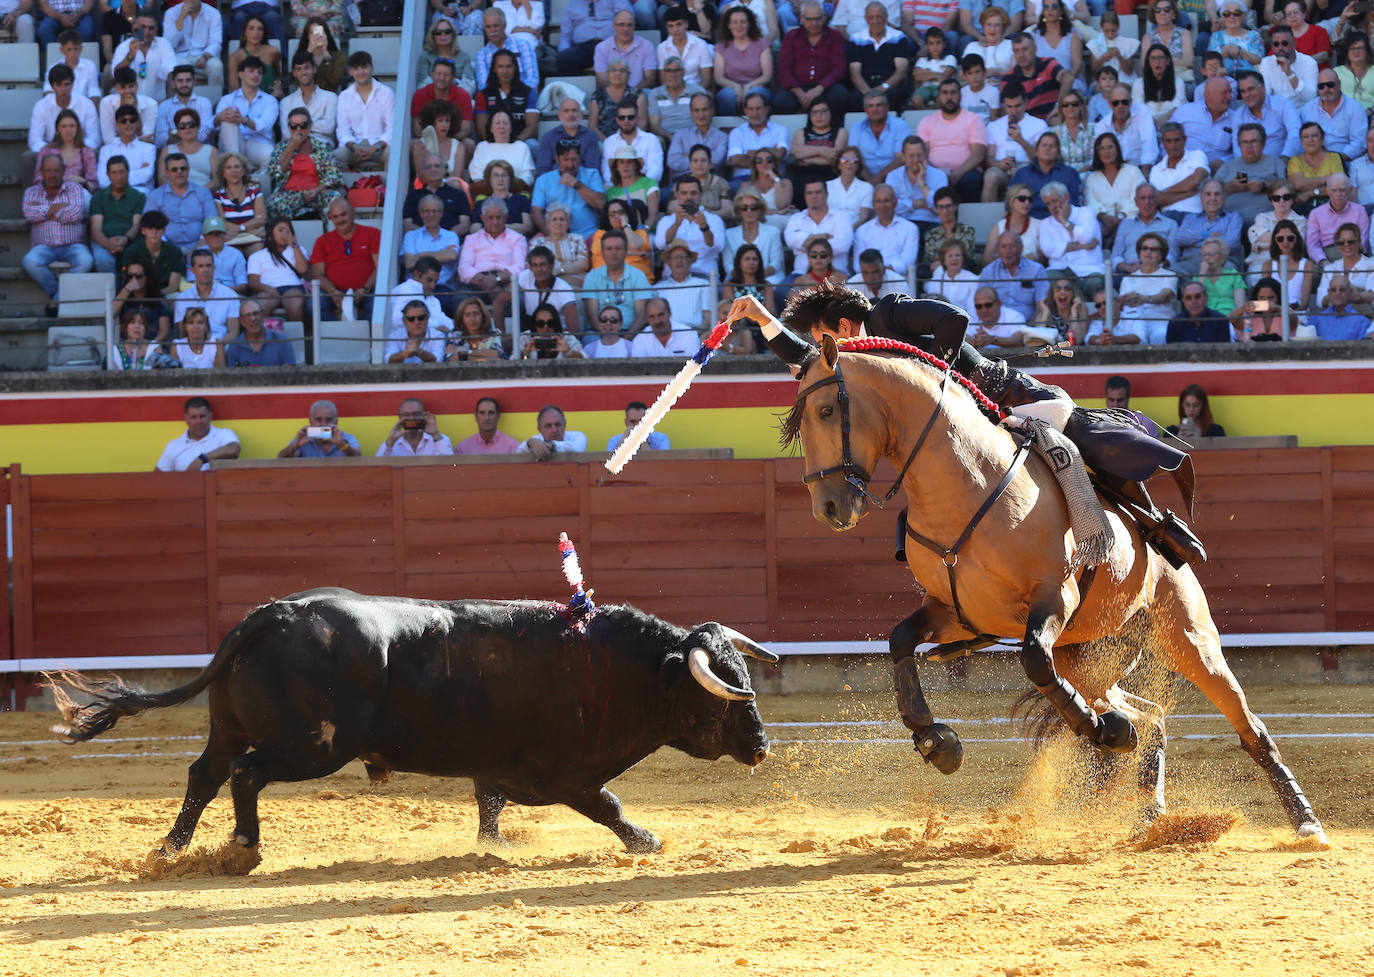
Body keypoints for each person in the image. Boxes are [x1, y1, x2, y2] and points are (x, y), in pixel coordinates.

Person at [737, 280, 1207, 567]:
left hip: (1007, 399)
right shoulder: (861, 368)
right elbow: (804, 362)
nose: (823, 353)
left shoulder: (885, 314)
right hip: (966, 429)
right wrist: (762, 319)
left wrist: (941, 381)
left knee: (1077, 446)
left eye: (821, 339)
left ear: (841, 327)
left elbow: (955, 319)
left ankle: (1157, 528)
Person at [22, 154, 92, 312]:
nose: (52, 175)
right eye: (48, 171)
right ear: (41, 171)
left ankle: (57, 300)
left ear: (64, 170)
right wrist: (57, 209)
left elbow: (75, 214)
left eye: (56, 171)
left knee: (86, 261)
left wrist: (44, 212)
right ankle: (60, 295)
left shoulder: (75, 189)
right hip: (44, 246)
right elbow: (29, 213)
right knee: (29, 262)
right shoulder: (31, 192)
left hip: (73, 245)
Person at [914, 78, 987, 203]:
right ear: (938, 97)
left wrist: (957, 174)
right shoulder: (927, 121)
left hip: (966, 173)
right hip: (934, 171)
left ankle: (968, 221)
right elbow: (922, 154)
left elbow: (978, 154)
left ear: (960, 96)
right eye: (945, 93)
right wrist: (938, 175)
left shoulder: (973, 119)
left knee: (971, 180)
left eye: (953, 93)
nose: (949, 97)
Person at [266, 109, 345, 222]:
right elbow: (276, 172)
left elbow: (333, 173)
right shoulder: (282, 148)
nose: (299, 130)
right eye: (294, 126)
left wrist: (318, 189)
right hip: (290, 193)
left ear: (310, 126)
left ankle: (330, 235)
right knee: (274, 204)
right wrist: (291, 147)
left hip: (317, 191)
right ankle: (288, 237)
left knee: (335, 200)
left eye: (303, 125)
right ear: (289, 128)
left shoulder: (321, 147)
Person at [459, 198, 528, 324]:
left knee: (520, 300)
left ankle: (510, 339)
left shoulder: (518, 238)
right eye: (490, 218)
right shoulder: (471, 239)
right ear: (482, 218)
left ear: (506, 217)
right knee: (459, 298)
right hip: (477, 283)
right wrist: (485, 281)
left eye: (499, 217)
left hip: (506, 282)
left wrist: (496, 279)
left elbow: (519, 267)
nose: (495, 222)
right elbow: (464, 269)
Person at [310, 197, 380, 320]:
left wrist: (365, 289)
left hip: (366, 290)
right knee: (313, 305)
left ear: (353, 212)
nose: (340, 220)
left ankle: (361, 337)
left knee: (377, 305)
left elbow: (380, 268)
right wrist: (332, 291)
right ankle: (334, 336)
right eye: (335, 217)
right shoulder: (322, 241)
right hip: (333, 291)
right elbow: (317, 274)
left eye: (343, 214)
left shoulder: (372, 234)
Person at [775, 1, 848, 117]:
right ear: (801, 19)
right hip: (798, 87)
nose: (813, 23)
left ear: (824, 18)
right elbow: (784, 69)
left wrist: (819, 88)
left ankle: (835, 130)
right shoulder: (791, 37)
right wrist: (800, 93)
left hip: (826, 87)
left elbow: (839, 68)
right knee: (781, 101)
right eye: (809, 19)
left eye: (817, 19)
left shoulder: (834, 36)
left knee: (839, 95)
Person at [982, 83, 1047, 204]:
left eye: (1017, 106)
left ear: (1025, 102)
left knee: (1021, 173)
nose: (1013, 111)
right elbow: (988, 158)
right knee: (990, 176)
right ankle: (988, 219)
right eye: (1009, 106)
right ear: (1004, 106)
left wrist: (1021, 141)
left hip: (1027, 168)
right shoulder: (994, 126)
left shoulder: (1039, 125)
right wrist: (999, 163)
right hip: (1002, 169)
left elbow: (1041, 159)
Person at [213, 56, 278, 175]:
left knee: (270, 155)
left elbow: (264, 126)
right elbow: (214, 125)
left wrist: (243, 120)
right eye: (251, 71)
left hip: (258, 143)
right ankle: (236, 167)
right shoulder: (227, 99)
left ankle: (255, 185)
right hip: (233, 142)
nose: (256, 75)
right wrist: (220, 117)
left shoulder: (270, 101)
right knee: (227, 119)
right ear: (241, 74)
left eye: (259, 72)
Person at [846, 1, 915, 111]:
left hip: (890, 85)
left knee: (895, 95)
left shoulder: (898, 37)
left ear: (887, 17)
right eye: (871, 17)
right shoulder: (856, 39)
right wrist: (868, 93)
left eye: (879, 17)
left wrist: (882, 89)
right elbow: (855, 73)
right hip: (865, 84)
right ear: (866, 19)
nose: (875, 21)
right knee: (855, 98)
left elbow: (901, 71)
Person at [1039, 182, 1104, 299]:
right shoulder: (1045, 223)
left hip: (1089, 269)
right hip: (1060, 270)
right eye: (1048, 204)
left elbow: (1087, 237)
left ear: (1066, 198)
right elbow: (1048, 249)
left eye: (1054, 201)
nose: (1052, 207)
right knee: (1046, 281)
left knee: (1096, 285)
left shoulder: (1086, 213)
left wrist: (1065, 222)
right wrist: (1083, 246)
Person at [1214, 123, 1287, 227]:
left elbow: (1288, 189)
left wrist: (1264, 186)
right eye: (1245, 142)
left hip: (1269, 223)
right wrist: (1230, 188)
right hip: (1231, 225)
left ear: (1263, 143)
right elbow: (1209, 195)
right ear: (1239, 145)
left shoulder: (1275, 163)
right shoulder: (1227, 167)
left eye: (1254, 141)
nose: (1249, 146)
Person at [534, 141, 607, 241]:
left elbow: (600, 203)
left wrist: (576, 183)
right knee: (534, 243)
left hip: (588, 234)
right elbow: (536, 211)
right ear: (557, 158)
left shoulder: (592, 174)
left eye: (574, 159)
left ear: (580, 158)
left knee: (603, 241)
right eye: (566, 160)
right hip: (554, 234)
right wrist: (552, 234)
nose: (570, 165)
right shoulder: (543, 180)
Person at [1111, 232, 1176, 345]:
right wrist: (1127, 299)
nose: (1148, 252)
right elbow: (1124, 300)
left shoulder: (1169, 275)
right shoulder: (1128, 278)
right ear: (1139, 252)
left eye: (1154, 249)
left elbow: (1165, 295)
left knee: (1160, 336)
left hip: (1160, 321)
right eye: (1144, 248)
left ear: (1161, 255)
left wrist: (1144, 299)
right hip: (1135, 323)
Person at [144, 152, 216, 253]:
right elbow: (150, 224)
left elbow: (211, 222)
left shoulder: (203, 192)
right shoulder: (155, 195)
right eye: (174, 169)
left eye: (183, 168)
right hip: (165, 247)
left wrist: (198, 247)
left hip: (200, 245)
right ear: (167, 173)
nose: (179, 172)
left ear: (188, 170)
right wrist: (168, 249)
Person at [335, 51, 393, 172]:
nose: (361, 72)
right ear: (350, 72)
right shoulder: (344, 96)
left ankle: (388, 190)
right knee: (335, 157)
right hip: (355, 147)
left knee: (394, 154)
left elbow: (392, 128)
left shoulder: (386, 93)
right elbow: (343, 130)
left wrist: (375, 147)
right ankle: (345, 190)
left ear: (372, 68)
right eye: (356, 68)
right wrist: (354, 146)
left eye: (364, 67)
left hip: (381, 146)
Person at [583, 229, 650, 334]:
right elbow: (592, 316)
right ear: (603, 252)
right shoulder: (592, 276)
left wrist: (627, 339)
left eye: (618, 248)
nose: (614, 252)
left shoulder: (638, 275)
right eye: (609, 249)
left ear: (626, 251)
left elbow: (641, 315)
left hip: (631, 332)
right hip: (599, 333)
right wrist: (607, 337)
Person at [1170, 179, 1241, 277]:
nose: (1213, 198)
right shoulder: (1190, 218)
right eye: (1208, 194)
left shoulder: (1234, 218)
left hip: (1222, 262)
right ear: (1201, 197)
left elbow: (1232, 243)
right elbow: (1179, 238)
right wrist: (1208, 235)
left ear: (1224, 197)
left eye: (1217, 194)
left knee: (1229, 272)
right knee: (1171, 274)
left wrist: (1195, 242)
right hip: (1191, 262)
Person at [89, 155, 144, 272]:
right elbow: (96, 230)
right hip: (104, 240)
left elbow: (136, 226)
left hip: (131, 240)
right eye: (114, 173)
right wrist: (109, 244)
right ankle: (111, 291)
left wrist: (125, 240)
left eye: (121, 172)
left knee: (133, 257)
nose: (118, 177)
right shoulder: (98, 197)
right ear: (108, 175)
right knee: (103, 260)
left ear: (128, 173)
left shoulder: (139, 197)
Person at [248, 217, 309, 324]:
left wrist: (294, 245)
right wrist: (266, 288)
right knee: (260, 308)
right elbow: (253, 281)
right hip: (267, 289)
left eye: (288, 231)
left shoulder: (299, 250)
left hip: (292, 287)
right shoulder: (257, 256)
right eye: (280, 230)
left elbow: (303, 270)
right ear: (271, 233)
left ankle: (299, 339)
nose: (284, 234)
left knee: (295, 306)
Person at [1229, 70, 1300, 160]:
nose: (1247, 95)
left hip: (1285, 162)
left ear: (1263, 87)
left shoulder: (1282, 104)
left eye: (1251, 89)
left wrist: (1286, 157)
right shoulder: (1239, 115)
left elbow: (1295, 132)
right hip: (1252, 167)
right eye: (1243, 91)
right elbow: (1237, 147)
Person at [155, 396, 241, 471]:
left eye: (202, 416)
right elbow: (157, 478)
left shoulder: (223, 434)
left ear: (210, 416)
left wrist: (201, 459)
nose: (198, 421)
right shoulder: (173, 446)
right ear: (186, 419)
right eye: (193, 417)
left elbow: (234, 449)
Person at [29, 65, 100, 156]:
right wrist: (55, 150)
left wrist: (73, 149)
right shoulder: (41, 106)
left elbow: (94, 139)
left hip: (80, 152)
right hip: (50, 155)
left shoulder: (87, 104)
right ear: (52, 86)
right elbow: (35, 141)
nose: (63, 89)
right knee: (29, 157)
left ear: (72, 84)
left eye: (67, 84)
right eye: (58, 85)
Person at [714, 5, 772, 114]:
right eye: (734, 22)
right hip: (730, 88)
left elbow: (767, 76)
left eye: (743, 22)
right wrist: (735, 86)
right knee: (727, 96)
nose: (739, 26)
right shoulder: (721, 47)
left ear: (749, 24)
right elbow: (719, 77)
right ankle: (728, 128)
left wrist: (749, 86)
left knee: (754, 95)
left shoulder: (762, 44)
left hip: (757, 86)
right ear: (729, 25)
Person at [978, 231, 1049, 320]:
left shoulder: (1036, 270)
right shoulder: (988, 272)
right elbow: (981, 304)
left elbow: (1042, 305)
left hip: (1026, 325)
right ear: (997, 249)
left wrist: (1032, 327)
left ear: (1021, 248)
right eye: (1004, 246)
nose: (1008, 251)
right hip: (996, 324)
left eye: (1012, 246)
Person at [174, 249, 241, 341]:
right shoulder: (182, 299)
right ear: (192, 270)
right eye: (200, 266)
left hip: (221, 344)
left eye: (208, 266)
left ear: (214, 268)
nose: (205, 270)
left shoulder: (230, 295)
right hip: (193, 346)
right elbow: (184, 333)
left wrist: (216, 347)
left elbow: (234, 333)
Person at [1012, 132, 1081, 221]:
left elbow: (1074, 204)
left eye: (1051, 146)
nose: (1047, 148)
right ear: (1036, 152)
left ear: (1058, 152)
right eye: (1044, 145)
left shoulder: (1070, 173)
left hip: (1061, 221)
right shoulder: (1022, 174)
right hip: (1030, 221)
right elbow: (1011, 201)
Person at [1003, 30, 1070, 120]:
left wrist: (1059, 106)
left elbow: (1068, 79)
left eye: (1025, 49)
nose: (1021, 55)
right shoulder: (1009, 77)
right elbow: (1004, 108)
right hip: (1026, 125)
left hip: (1051, 120)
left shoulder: (1048, 64)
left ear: (1035, 49)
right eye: (1016, 51)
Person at [107, 12, 174, 99]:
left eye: (151, 28)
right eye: (143, 27)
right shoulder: (124, 46)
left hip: (157, 104)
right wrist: (130, 56)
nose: (147, 32)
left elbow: (170, 70)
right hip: (129, 104)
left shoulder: (163, 44)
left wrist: (167, 101)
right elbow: (115, 74)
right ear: (134, 28)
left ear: (156, 30)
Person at [1149, 122, 1208, 219]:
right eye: (1169, 141)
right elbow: (1157, 200)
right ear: (1163, 143)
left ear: (1184, 140)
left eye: (1177, 140)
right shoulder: (1156, 169)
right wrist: (1189, 192)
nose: (1173, 145)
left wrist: (1166, 191)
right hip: (1167, 217)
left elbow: (1196, 180)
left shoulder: (1197, 155)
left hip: (1195, 215)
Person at [280, 51, 338, 149]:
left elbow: (329, 128)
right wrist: (314, 124)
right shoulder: (286, 102)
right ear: (294, 73)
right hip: (295, 147)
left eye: (307, 68)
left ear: (314, 69)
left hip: (321, 145)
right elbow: (286, 133)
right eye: (299, 69)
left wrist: (297, 126)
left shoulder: (330, 97)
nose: (303, 72)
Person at [1307, 174, 1369, 263]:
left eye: (1342, 190)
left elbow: (1363, 241)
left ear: (1350, 190)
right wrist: (1323, 261)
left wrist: (1350, 258)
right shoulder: (1316, 214)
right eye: (1334, 190)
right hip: (1326, 254)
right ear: (1327, 191)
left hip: (1353, 253)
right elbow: (1312, 245)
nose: (1338, 194)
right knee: (1310, 271)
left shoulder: (1359, 210)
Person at [163, 0, 223, 91]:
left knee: (216, 66)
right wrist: (181, 17)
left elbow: (216, 43)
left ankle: (215, 101)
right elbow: (168, 44)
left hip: (204, 55)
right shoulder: (171, 13)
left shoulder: (213, 13)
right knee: (180, 66)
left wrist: (205, 57)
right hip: (179, 56)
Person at [122, 210, 184, 297]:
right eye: (150, 228)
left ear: (164, 230)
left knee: (176, 296)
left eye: (158, 229)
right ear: (143, 230)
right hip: (137, 296)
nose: (154, 233)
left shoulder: (175, 252)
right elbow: (128, 282)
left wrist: (155, 296)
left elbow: (173, 286)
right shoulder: (131, 252)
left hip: (164, 295)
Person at [211, 152, 266, 250]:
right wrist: (249, 229)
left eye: (237, 167)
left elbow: (261, 219)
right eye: (228, 168)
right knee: (234, 255)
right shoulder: (218, 196)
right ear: (223, 173)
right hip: (232, 238)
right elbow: (222, 222)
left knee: (256, 252)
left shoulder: (254, 192)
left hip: (252, 239)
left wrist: (238, 229)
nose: (233, 171)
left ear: (243, 171)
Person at [667, 93, 727, 181]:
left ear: (712, 111)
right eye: (696, 110)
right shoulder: (680, 135)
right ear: (691, 113)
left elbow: (717, 160)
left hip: (710, 181)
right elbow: (673, 162)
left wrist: (689, 156)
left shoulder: (721, 136)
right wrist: (706, 159)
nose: (701, 115)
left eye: (704, 109)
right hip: (684, 180)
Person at [1261, 218, 1316, 312]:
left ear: (1296, 239)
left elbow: (1304, 303)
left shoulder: (1307, 265)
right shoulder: (1268, 265)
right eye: (1280, 239)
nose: (1285, 242)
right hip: (1274, 315)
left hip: (1299, 315)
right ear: (1275, 241)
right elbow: (1263, 300)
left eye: (1290, 238)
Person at [538, 97, 603, 176]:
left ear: (581, 114)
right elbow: (543, 169)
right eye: (566, 111)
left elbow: (593, 168)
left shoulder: (590, 136)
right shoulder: (548, 137)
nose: (571, 114)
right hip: (555, 182)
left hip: (584, 182)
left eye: (574, 110)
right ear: (559, 115)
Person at [968, 285, 1050, 348]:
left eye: (988, 305)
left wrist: (992, 339)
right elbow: (962, 337)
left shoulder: (1015, 316)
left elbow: (1018, 339)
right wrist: (975, 341)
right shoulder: (970, 316)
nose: (984, 310)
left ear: (999, 303)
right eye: (979, 306)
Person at [97, 106, 156, 193]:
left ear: (137, 123)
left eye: (132, 120)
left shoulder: (149, 149)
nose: (128, 124)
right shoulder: (106, 150)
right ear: (117, 124)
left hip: (140, 194)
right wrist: (137, 172)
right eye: (123, 121)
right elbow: (102, 180)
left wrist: (115, 177)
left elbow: (147, 175)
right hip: (113, 195)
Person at [154, 64, 213, 150]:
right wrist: (188, 134)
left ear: (194, 82)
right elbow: (159, 139)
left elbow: (204, 135)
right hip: (174, 152)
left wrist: (174, 133)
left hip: (200, 150)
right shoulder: (164, 106)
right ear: (173, 83)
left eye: (188, 80)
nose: (184, 84)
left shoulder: (204, 103)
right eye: (180, 81)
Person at [530, 198, 589, 283]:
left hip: (575, 284)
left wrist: (559, 270)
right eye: (554, 219)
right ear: (548, 224)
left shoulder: (577, 239)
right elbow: (530, 266)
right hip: (547, 284)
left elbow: (583, 264)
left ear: (568, 224)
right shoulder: (537, 243)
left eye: (562, 219)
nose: (558, 223)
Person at [1316, 224, 1374, 310]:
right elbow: (1320, 300)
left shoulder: (1371, 265)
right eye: (1341, 242)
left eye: (1350, 241)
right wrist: (1349, 293)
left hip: (1363, 318)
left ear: (1359, 242)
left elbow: (1372, 295)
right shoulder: (1330, 268)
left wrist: (1336, 294)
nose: (1346, 245)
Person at [984, 181, 1041, 268]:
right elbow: (985, 260)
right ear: (1011, 201)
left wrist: (1036, 259)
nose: (1027, 202)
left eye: (1030, 199)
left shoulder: (1039, 225)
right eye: (1022, 199)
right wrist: (1001, 258)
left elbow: (1046, 258)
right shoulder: (999, 227)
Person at [278, 400, 362, 458]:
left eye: (328, 420)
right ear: (311, 421)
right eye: (318, 420)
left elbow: (359, 459)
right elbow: (279, 460)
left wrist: (342, 445)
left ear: (336, 421)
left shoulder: (347, 439)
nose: (323, 424)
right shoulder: (304, 438)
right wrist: (294, 447)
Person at [113, 258, 170, 342]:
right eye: (130, 276)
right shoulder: (123, 295)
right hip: (126, 345)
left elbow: (164, 331)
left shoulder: (159, 297)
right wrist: (126, 291)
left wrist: (150, 346)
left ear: (148, 277)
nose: (134, 280)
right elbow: (110, 314)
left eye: (139, 276)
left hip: (151, 344)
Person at [158, 107, 216, 189]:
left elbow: (217, 181)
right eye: (182, 126)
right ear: (177, 130)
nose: (187, 128)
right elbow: (162, 178)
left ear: (198, 126)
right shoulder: (167, 150)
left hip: (204, 195)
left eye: (191, 125)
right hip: (175, 196)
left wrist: (199, 192)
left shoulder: (211, 151)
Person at [1262, 23, 1318, 107]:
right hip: (1276, 112)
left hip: (1301, 112)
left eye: (1284, 43)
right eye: (1276, 44)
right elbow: (1265, 95)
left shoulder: (1309, 63)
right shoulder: (1266, 63)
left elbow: (1310, 97)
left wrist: (1289, 73)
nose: (1280, 48)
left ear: (1293, 43)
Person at [658, 5, 715, 89]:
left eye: (679, 24)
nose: (675, 29)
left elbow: (707, 81)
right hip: (672, 93)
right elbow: (663, 80)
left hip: (696, 92)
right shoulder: (662, 48)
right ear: (667, 28)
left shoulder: (701, 45)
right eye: (671, 26)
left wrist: (690, 95)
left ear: (686, 24)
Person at [97, 66, 157, 145]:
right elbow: (108, 139)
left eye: (131, 86)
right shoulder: (106, 103)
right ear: (116, 88)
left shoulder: (151, 104)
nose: (127, 91)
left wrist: (134, 109)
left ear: (137, 85)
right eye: (123, 87)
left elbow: (147, 136)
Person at [377, 398, 454, 457]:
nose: (412, 418)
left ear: (423, 416)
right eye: (406, 415)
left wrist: (435, 434)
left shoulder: (439, 440)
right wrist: (390, 440)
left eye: (416, 414)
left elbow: (451, 465)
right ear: (399, 418)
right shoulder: (391, 444)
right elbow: (377, 468)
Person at [226, 14, 281, 96]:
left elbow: (277, 76)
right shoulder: (235, 57)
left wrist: (278, 86)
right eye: (251, 28)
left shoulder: (273, 52)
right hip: (245, 102)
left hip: (271, 99)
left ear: (264, 33)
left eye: (260, 29)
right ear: (244, 32)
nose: (256, 32)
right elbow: (235, 90)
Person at [736, 149, 793, 227]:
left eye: (769, 160)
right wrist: (774, 212)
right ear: (755, 165)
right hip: (756, 219)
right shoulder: (746, 185)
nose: (764, 163)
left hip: (781, 220)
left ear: (774, 164)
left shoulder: (785, 183)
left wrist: (775, 179)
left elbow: (782, 206)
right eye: (759, 160)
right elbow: (742, 209)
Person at [1194, 237, 1246, 319]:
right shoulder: (1199, 278)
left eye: (1212, 254)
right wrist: (1202, 274)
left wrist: (1228, 319)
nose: (1207, 258)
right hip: (1205, 320)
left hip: (1230, 318)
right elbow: (1196, 301)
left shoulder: (1233, 275)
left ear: (1222, 257)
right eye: (1204, 255)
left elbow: (1240, 305)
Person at [1133, 44, 1184, 126]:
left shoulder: (1178, 82)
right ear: (1149, 62)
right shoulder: (1138, 83)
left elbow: (1178, 107)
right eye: (1153, 58)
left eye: (1160, 58)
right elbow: (1138, 108)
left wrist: (1165, 118)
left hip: (1171, 123)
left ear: (1168, 60)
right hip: (1146, 124)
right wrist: (1152, 121)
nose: (1157, 61)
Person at [1309, 276, 1374, 339]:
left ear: (1350, 292)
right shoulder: (1317, 319)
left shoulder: (1362, 321)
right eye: (1333, 290)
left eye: (1342, 289)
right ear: (1329, 293)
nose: (1337, 293)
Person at [384, 300, 448, 364]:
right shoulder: (396, 335)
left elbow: (438, 359)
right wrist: (404, 354)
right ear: (404, 321)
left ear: (427, 318)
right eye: (411, 319)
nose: (416, 322)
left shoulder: (437, 335)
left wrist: (419, 352)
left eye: (421, 318)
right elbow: (388, 359)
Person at [632, 295, 700, 355]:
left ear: (669, 313)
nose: (657, 321)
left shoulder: (688, 334)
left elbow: (694, 364)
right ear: (647, 318)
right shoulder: (640, 340)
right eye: (652, 316)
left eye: (661, 315)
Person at [1166, 282, 1230, 343]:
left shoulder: (1220, 321)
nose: (1194, 301)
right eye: (1188, 298)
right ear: (1183, 301)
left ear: (1206, 298)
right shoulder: (1174, 324)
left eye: (1198, 296)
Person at [517, 405, 587, 460]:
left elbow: (578, 449)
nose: (554, 430)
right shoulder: (536, 440)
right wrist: (530, 443)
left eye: (558, 425)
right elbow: (519, 452)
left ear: (565, 425)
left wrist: (551, 446)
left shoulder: (577, 436)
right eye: (548, 426)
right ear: (539, 429)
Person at [927, 239, 979, 312]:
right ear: (943, 260)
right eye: (950, 256)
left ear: (963, 258)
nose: (954, 259)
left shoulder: (973, 280)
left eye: (957, 255)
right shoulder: (934, 282)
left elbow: (972, 310)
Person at [445, 297, 504, 361]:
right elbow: (453, 359)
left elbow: (496, 355)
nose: (472, 319)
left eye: (476, 314)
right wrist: (486, 358)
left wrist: (465, 352)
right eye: (468, 315)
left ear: (483, 316)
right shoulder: (455, 335)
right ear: (462, 318)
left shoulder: (493, 334)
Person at [455, 397, 520, 454]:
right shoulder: (462, 449)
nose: (486, 418)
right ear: (476, 417)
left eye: (491, 413)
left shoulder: (512, 447)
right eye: (482, 413)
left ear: (498, 416)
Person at [520, 303, 585, 359]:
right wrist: (526, 353)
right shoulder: (525, 338)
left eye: (550, 323)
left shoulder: (566, 337)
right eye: (540, 323)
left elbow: (585, 358)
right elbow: (513, 361)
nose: (546, 327)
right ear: (534, 325)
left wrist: (568, 352)